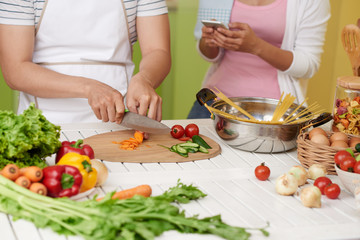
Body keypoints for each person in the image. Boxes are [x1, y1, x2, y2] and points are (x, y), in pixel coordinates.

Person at [0, 0, 171, 124]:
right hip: (44, 124)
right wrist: (89, 88)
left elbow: (158, 51)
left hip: (119, 120)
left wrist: (144, 79)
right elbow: (16, 70)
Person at [188, 0, 330, 119]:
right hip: (214, 102)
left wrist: (256, 46)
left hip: (274, 113)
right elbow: (210, 55)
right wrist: (208, 41)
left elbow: (308, 65)